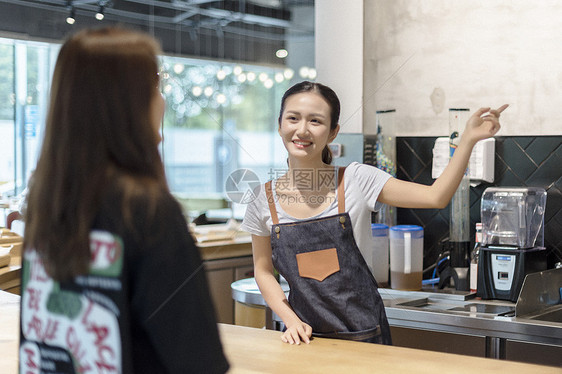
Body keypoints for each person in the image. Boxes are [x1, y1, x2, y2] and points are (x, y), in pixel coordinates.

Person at [20, 27, 229, 373]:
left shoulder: (47, 205)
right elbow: (199, 361)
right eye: (156, 85)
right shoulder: (147, 211)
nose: (162, 100)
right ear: (131, 103)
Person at [241, 81, 507, 345]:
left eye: (315, 121)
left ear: (333, 133)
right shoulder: (263, 201)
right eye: (293, 118)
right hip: (305, 340)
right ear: (279, 126)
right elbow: (263, 271)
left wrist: (469, 139)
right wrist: (290, 320)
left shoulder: (357, 179)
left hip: (364, 337)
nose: (302, 130)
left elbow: (435, 196)